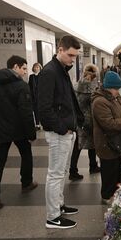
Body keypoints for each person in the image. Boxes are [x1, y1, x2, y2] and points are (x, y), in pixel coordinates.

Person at [0, 55, 38, 210]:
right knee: (26, 153)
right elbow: (26, 113)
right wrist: (31, 134)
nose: (26, 72)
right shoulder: (21, 86)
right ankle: (26, 183)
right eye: (24, 68)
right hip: (18, 129)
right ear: (15, 67)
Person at [38, 35, 84, 229]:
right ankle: (52, 217)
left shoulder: (61, 70)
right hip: (59, 133)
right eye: (71, 55)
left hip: (67, 131)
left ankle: (59, 205)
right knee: (55, 174)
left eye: (75, 56)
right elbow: (43, 107)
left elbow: (67, 101)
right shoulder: (49, 72)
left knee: (62, 172)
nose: (72, 60)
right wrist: (62, 128)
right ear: (60, 49)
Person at [92, 71, 121, 201]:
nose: (118, 91)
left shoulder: (115, 97)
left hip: (117, 142)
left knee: (116, 172)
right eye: (115, 89)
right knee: (109, 173)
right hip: (107, 144)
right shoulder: (99, 102)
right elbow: (109, 124)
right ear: (107, 87)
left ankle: (115, 196)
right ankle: (106, 197)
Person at [69, 64, 101, 181]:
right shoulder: (93, 88)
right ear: (94, 75)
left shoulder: (77, 84)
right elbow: (95, 106)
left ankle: (74, 170)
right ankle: (91, 166)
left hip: (79, 119)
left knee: (78, 146)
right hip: (90, 120)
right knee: (92, 144)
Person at [28, 62, 42, 128]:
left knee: (41, 109)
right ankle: (37, 124)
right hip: (34, 96)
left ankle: (42, 123)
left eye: (37, 67)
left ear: (40, 68)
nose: (36, 68)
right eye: (35, 67)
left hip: (40, 95)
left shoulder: (42, 75)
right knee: (35, 110)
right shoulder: (31, 76)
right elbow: (29, 86)